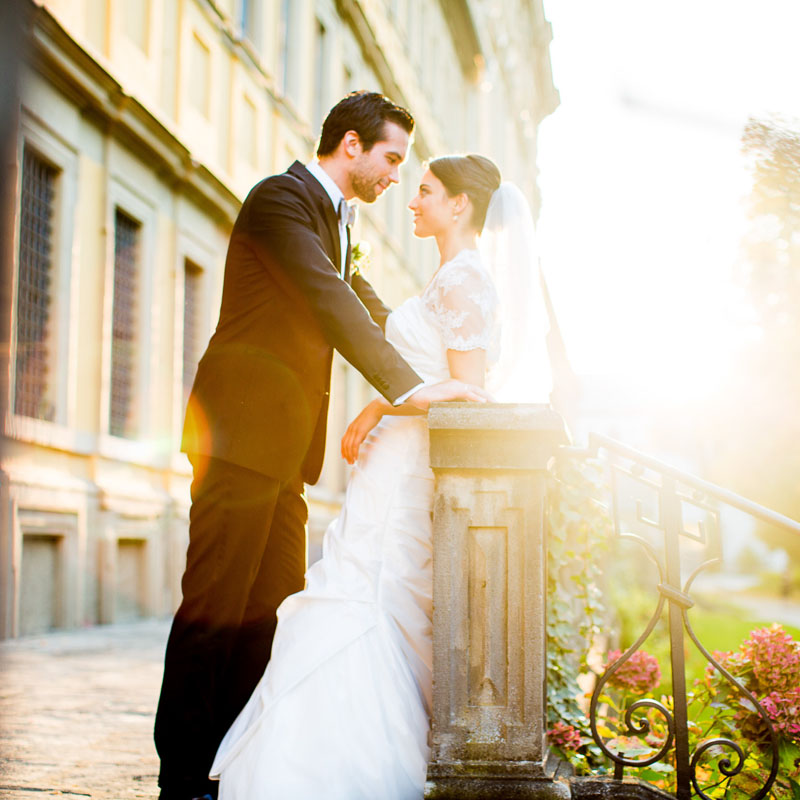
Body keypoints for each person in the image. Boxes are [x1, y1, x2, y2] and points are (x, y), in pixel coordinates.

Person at [154, 93, 489, 800]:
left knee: (268, 612)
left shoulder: (341, 222)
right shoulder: (279, 201)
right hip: (239, 438)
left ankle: (231, 764)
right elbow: (326, 299)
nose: (398, 174)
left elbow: (373, 310)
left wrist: (433, 362)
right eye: (392, 158)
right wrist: (407, 389)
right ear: (351, 145)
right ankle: (181, 779)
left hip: (284, 457)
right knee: (213, 607)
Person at [208, 155, 546, 799]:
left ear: (460, 206)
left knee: (367, 596)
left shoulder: (466, 281)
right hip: (387, 464)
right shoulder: (447, 277)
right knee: (358, 591)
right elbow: (408, 355)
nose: (411, 201)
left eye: (423, 191)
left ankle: (339, 768)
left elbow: (465, 395)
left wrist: (380, 403)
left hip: (402, 470)